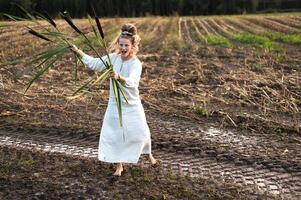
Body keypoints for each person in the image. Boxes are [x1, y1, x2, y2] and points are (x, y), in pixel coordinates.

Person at [71, 23, 156, 176]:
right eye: (121, 45)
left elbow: (133, 81)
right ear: (118, 44)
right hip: (114, 104)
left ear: (133, 46)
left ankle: (148, 154)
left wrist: (119, 77)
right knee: (115, 134)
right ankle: (119, 165)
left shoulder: (136, 63)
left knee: (140, 132)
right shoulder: (112, 58)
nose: (123, 48)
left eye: (126, 45)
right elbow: (94, 63)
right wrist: (77, 51)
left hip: (131, 103)